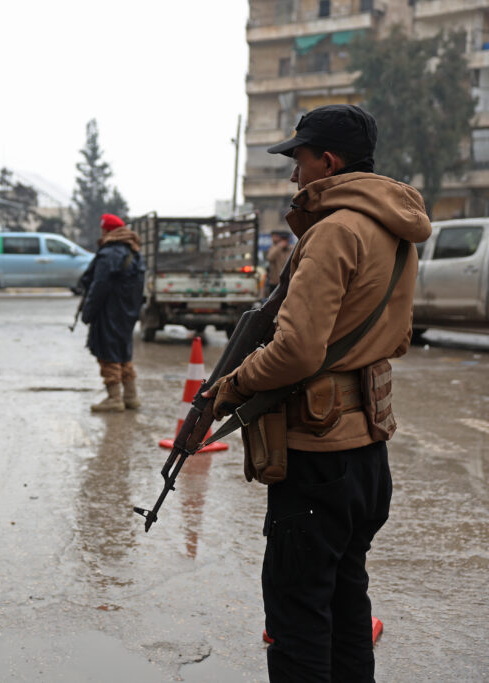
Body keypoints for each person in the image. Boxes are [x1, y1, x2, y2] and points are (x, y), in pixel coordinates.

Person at [204, 104, 431, 681]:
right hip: (367, 455)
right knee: (347, 603)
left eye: (299, 160)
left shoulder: (334, 231)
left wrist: (234, 383)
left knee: (298, 616)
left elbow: (297, 352)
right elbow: (399, 337)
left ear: (328, 162)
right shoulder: (395, 229)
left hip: (318, 458)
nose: (293, 174)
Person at [79, 213, 146, 413]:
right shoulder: (134, 251)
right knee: (123, 353)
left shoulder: (109, 253)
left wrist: (88, 312)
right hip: (127, 313)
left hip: (108, 312)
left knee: (107, 355)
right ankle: (131, 397)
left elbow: (99, 286)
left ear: (107, 230)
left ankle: (114, 398)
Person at [265, 230, 292, 297]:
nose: (285, 242)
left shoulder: (291, 249)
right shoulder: (274, 248)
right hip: (275, 282)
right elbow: (270, 257)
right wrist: (279, 246)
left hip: (288, 281)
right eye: (283, 240)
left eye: (286, 240)